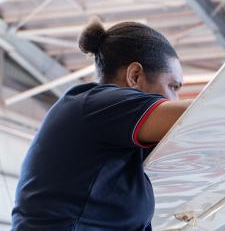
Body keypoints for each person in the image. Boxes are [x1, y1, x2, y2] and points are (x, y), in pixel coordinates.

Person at [12, 19, 193, 230]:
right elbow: (201, 116)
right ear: (135, 75)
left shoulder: (117, 146)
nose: (174, 98)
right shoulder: (96, 104)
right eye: (172, 86)